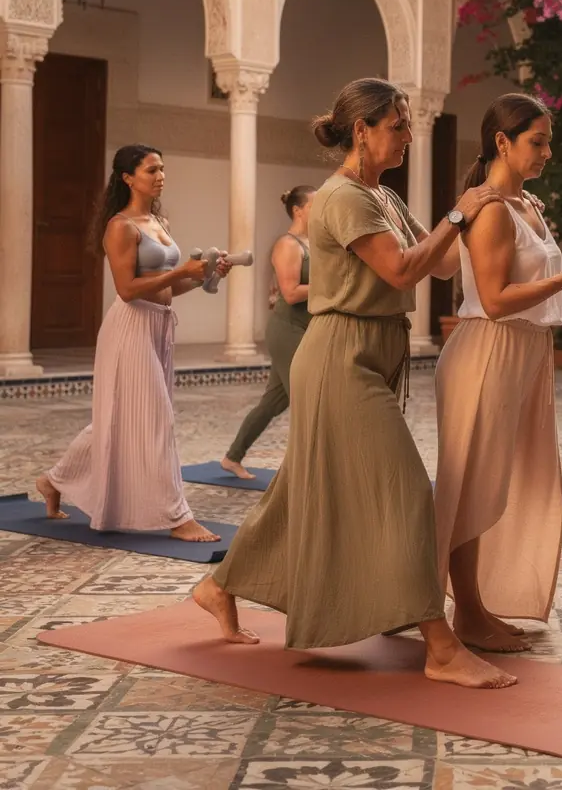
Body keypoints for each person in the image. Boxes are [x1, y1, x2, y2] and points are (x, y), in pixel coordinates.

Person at [193, 78, 518, 689]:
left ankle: (218, 585)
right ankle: (440, 647)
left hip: (372, 354)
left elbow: (443, 260)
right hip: (340, 359)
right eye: (398, 125)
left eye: (408, 124)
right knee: (405, 491)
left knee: (297, 493)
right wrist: (459, 212)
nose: (408, 135)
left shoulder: (384, 196)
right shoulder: (342, 197)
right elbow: (402, 269)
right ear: (361, 130)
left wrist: (498, 212)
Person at [433, 94, 562, 653]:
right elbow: (493, 300)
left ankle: (477, 603)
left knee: (509, 481)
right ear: (502, 142)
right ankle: (466, 612)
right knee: (473, 486)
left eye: (548, 141)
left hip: (525, 350)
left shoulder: (527, 204)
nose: (547, 152)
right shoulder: (491, 210)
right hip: (489, 350)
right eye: (537, 141)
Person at [35, 144, 229, 541]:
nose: (161, 176)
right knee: (157, 420)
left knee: (115, 418)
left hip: (159, 326)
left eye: (162, 169)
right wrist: (182, 271)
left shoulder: (158, 221)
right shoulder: (120, 226)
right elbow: (127, 289)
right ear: (128, 178)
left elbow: (168, 288)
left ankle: (53, 481)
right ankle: (177, 517)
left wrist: (206, 276)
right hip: (130, 328)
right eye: (151, 170)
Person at [221, 185, 317, 479]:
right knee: (309, 402)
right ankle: (305, 474)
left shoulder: (314, 243)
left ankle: (232, 457)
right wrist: (332, 286)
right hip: (287, 330)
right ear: (298, 210)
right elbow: (290, 292)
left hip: (306, 329)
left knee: (274, 401)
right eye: (315, 205)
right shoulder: (287, 244)